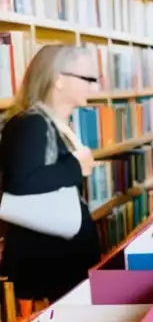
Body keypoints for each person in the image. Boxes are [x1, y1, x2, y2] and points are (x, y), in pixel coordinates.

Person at [0, 45, 101, 303]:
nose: (93, 87)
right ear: (58, 79)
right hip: (44, 269)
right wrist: (77, 167)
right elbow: (21, 182)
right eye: (87, 79)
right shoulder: (31, 124)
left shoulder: (52, 122)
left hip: (57, 261)